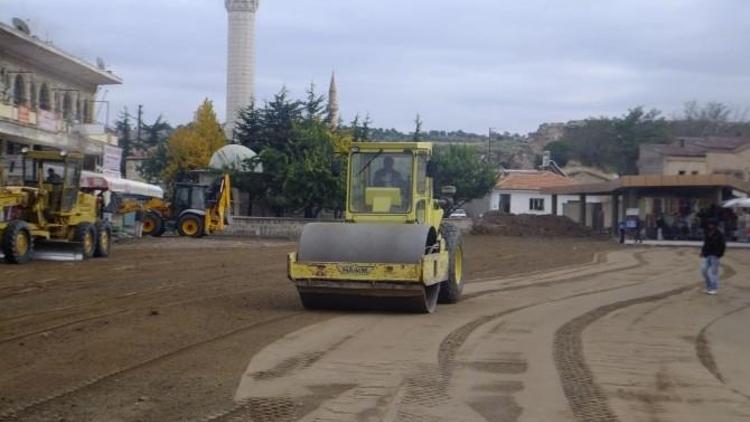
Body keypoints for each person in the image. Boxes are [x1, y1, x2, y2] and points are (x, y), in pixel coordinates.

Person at [700, 218, 726, 295]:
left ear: (715, 225)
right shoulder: (707, 232)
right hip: (707, 254)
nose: (710, 225)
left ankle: (714, 288)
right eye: (709, 224)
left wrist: (719, 254)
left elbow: (723, 245)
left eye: (711, 224)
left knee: (713, 272)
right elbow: (705, 243)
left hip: (715, 255)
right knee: (703, 270)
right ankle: (709, 287)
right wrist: (702, 252)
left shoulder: (719, 234)